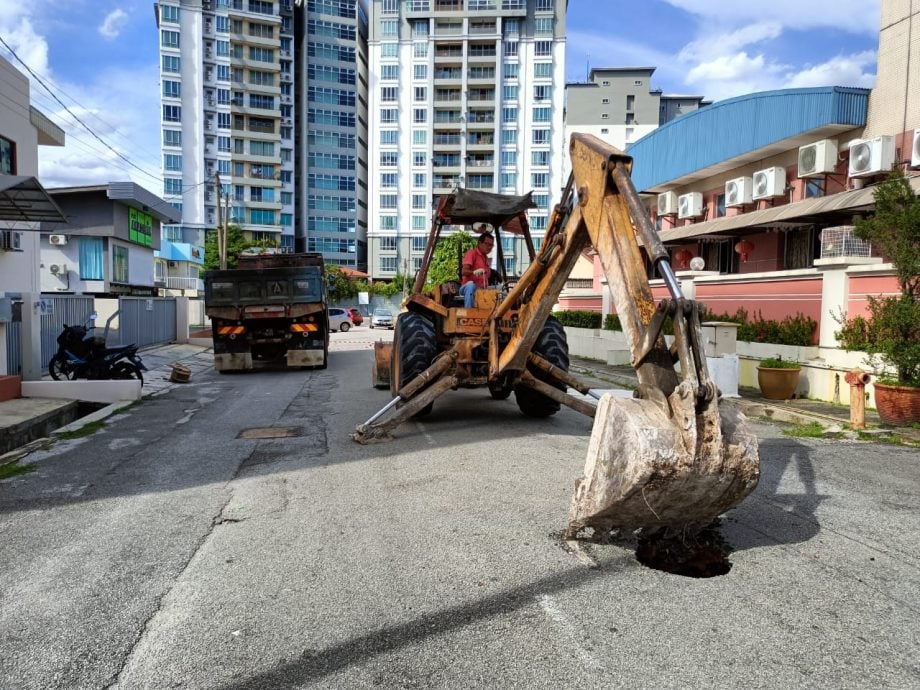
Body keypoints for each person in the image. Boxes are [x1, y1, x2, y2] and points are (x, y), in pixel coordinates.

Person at [459, 231, 494, 308]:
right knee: (471, 285)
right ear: (479, 243)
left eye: (491, 245)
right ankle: (468, 314)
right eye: (487, 244)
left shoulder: (486, 258)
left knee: (500, 289)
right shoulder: (472, 253)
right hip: (467, 287)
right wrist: (474, 272)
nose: (489, 247)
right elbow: (463, 272)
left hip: (481, 288)